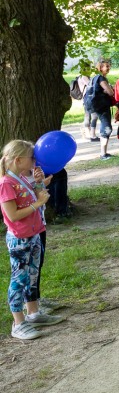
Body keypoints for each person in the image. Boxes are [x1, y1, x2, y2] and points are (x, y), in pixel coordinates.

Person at [2, 141, 65, 341]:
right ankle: (18, 323)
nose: (35, 161)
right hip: (20, 238)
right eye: (32, 158)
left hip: (34, 233)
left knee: (32, 275)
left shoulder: (21, 178)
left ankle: (33, 313)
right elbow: (12, 215)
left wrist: (38, 183)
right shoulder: (6, 184)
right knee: (19, 280)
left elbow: (32, 195)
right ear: (18, 160)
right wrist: (38, 203)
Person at [84, 58, 116, 160]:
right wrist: (109, 90)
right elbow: (111, 92)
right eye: (106, 66)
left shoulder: (94, 78)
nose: (108, 68)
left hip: (94, 105)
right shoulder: (101, 78)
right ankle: (103, 154)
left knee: (105, 126)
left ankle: (104, 152)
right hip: (102, 106)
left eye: (108, 66)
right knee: (106, 128)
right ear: (100, 68)